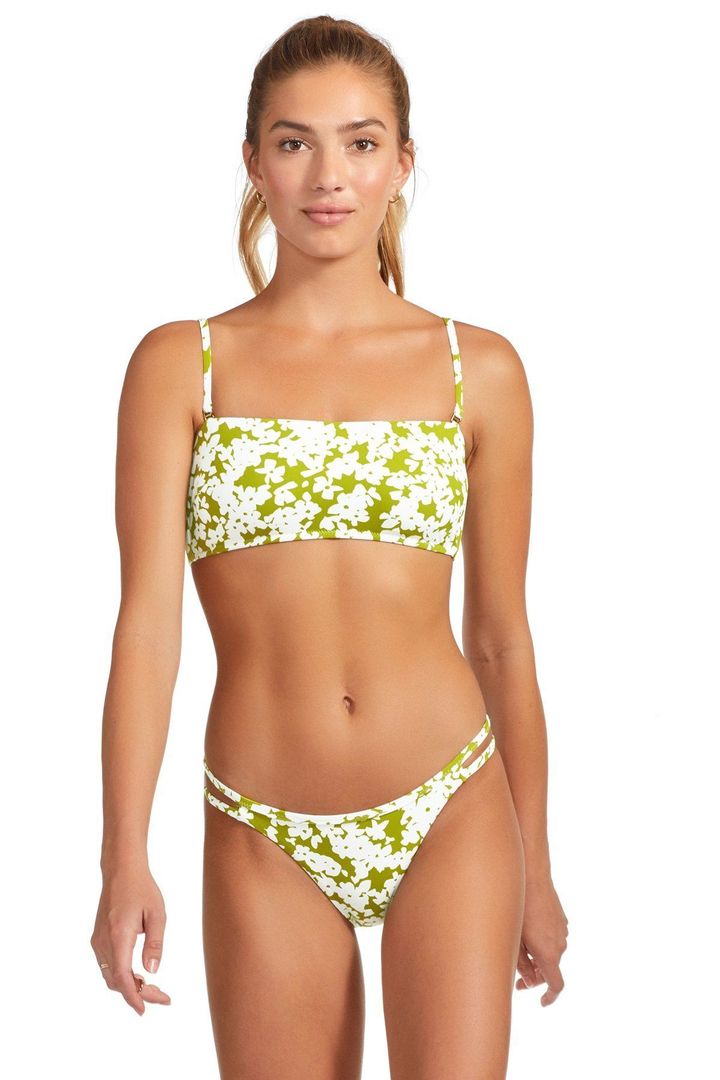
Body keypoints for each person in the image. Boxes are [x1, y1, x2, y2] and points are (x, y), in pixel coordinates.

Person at [90, 14, 568, 1079]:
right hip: (261, 821)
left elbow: (501, 639)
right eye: (294, 141)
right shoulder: (181, 366)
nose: (329, 176)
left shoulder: (479, 370)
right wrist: (124, 855)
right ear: (253, 161)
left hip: (451, 803)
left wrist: (536, 864)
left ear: (403, 163)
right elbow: (147, 632)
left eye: (361, 142)